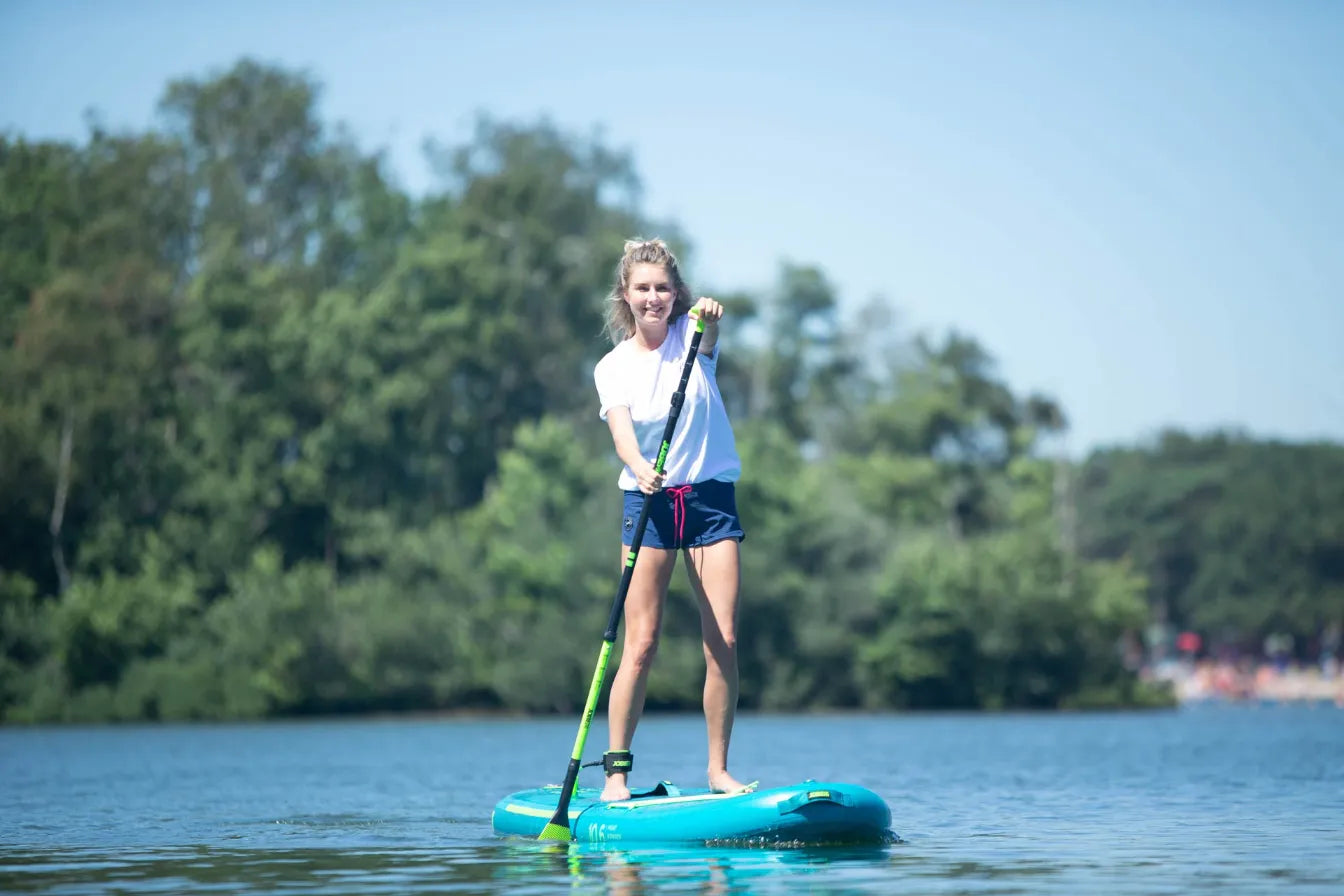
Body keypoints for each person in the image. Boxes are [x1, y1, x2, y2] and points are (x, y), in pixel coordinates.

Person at [592, 237, 754, 802]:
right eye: (643, 288)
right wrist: (640, 468)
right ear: (626, 294)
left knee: (723, 638)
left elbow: (709, 333)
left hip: (709, 502)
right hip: (650, 504)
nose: (653, 297)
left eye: (663, 288)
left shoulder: (692, 337)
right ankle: (616, 776)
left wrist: (708, 315)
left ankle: (718, 771)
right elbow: (621, 434)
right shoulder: (612, 367)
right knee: (641, 643)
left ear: (676, 292)